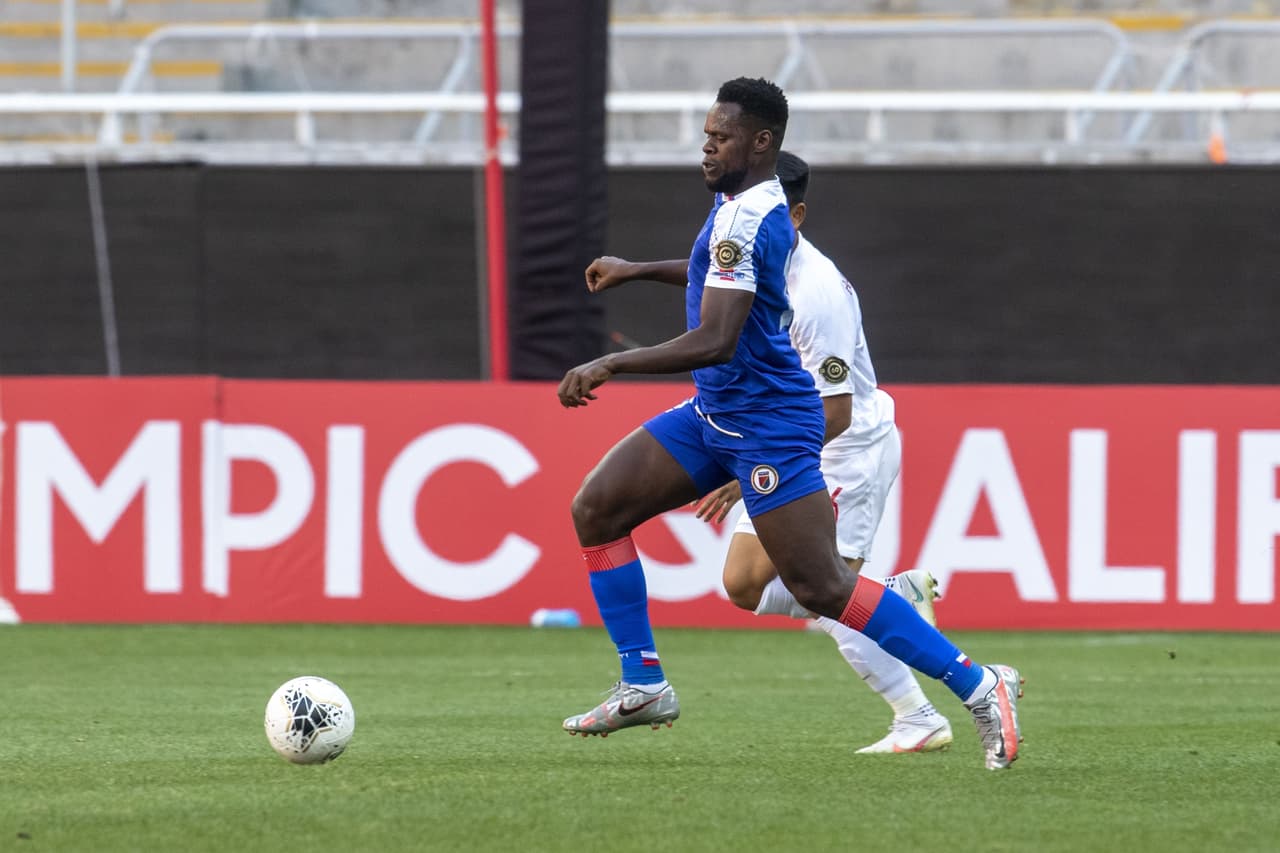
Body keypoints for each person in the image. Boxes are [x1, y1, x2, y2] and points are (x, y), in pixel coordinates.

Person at [557, 77, 1024, 769]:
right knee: (596, 509)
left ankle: (979, 684)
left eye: (720, 136)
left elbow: (715, 337)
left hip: (771, 423)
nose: (707, 145)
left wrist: (613, 365)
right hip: (717, 412)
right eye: (707, 133)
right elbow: (711, 275)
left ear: (761, 141)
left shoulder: (754, 220)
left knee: (823, 586)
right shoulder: (738, 202)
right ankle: (644, 682)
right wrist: (634, 270)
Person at [690, 150, 951, 754]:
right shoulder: (755, 266)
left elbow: (836, 412)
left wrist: (745, 470)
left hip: (844, 449)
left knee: (826, 591)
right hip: (786, 438)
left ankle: (917, 716)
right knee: (743, 586)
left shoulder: (818, 295)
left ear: (795, 214)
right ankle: (891, 596)